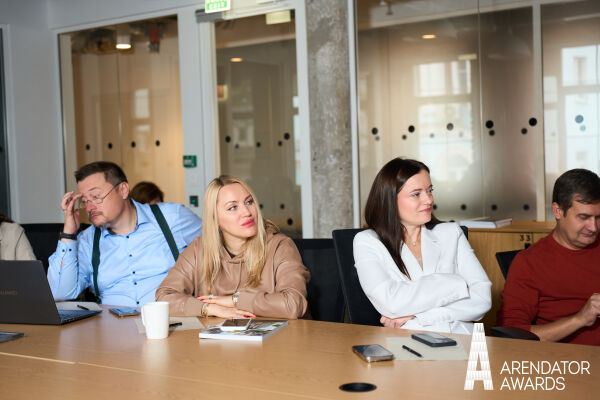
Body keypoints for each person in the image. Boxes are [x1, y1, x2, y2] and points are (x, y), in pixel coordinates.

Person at [353, 158, 491, 334]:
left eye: (429, 191)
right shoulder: (367, 241)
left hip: (462, 336)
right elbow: (391, 304)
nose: (428, 200)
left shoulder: (451, 233)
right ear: (390, 199)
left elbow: (482, 299)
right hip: (406, 341)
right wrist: (456, 283)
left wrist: (419, 315)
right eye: (416, 194)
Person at [47, 161, 202, 307]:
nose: (89, 208)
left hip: (173, 320)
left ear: (123, 190)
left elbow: (215, 244)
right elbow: (60, 293)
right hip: (113, 324)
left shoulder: (173, 217)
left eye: (95, 197)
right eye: (85, 201)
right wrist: (68, 234)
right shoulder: (87, 241)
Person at [156, 175, 310, 319]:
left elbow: (293, 304)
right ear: (215, 219)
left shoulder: (280, 246)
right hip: (220, 336)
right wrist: (208, 308)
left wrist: (235, 300)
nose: (247, 212)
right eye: (233, 207)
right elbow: (164, 297)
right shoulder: (199, 249)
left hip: (280, 337)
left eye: (249, 202)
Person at [497, 169, 600, 345]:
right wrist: (581, 319)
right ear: (558, 211)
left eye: (598, 217)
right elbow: (512, 335)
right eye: (584, 217)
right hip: (571, 359)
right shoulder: (529, 263)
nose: (593, 227)